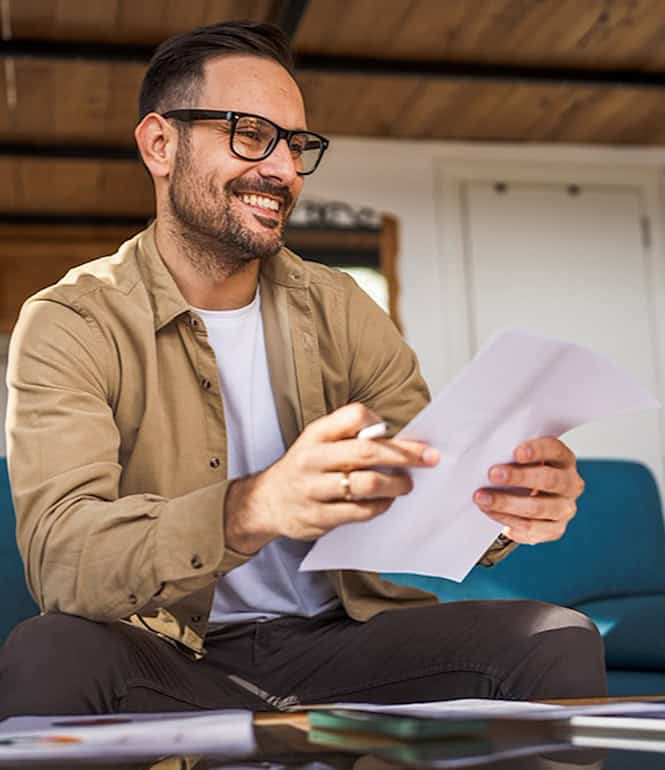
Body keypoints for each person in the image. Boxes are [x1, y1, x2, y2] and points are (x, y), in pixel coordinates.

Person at [0, 20, 605, 717]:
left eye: (295, 144)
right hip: (165, 653)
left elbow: (427, 475)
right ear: (160, 144)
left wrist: (505, 502)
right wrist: (251, 509)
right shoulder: (72, 320)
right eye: (250, 133)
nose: (283, 169)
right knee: (47, 651)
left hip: (339, 643)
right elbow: (63, 561)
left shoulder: (340, 306)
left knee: (552, 638)